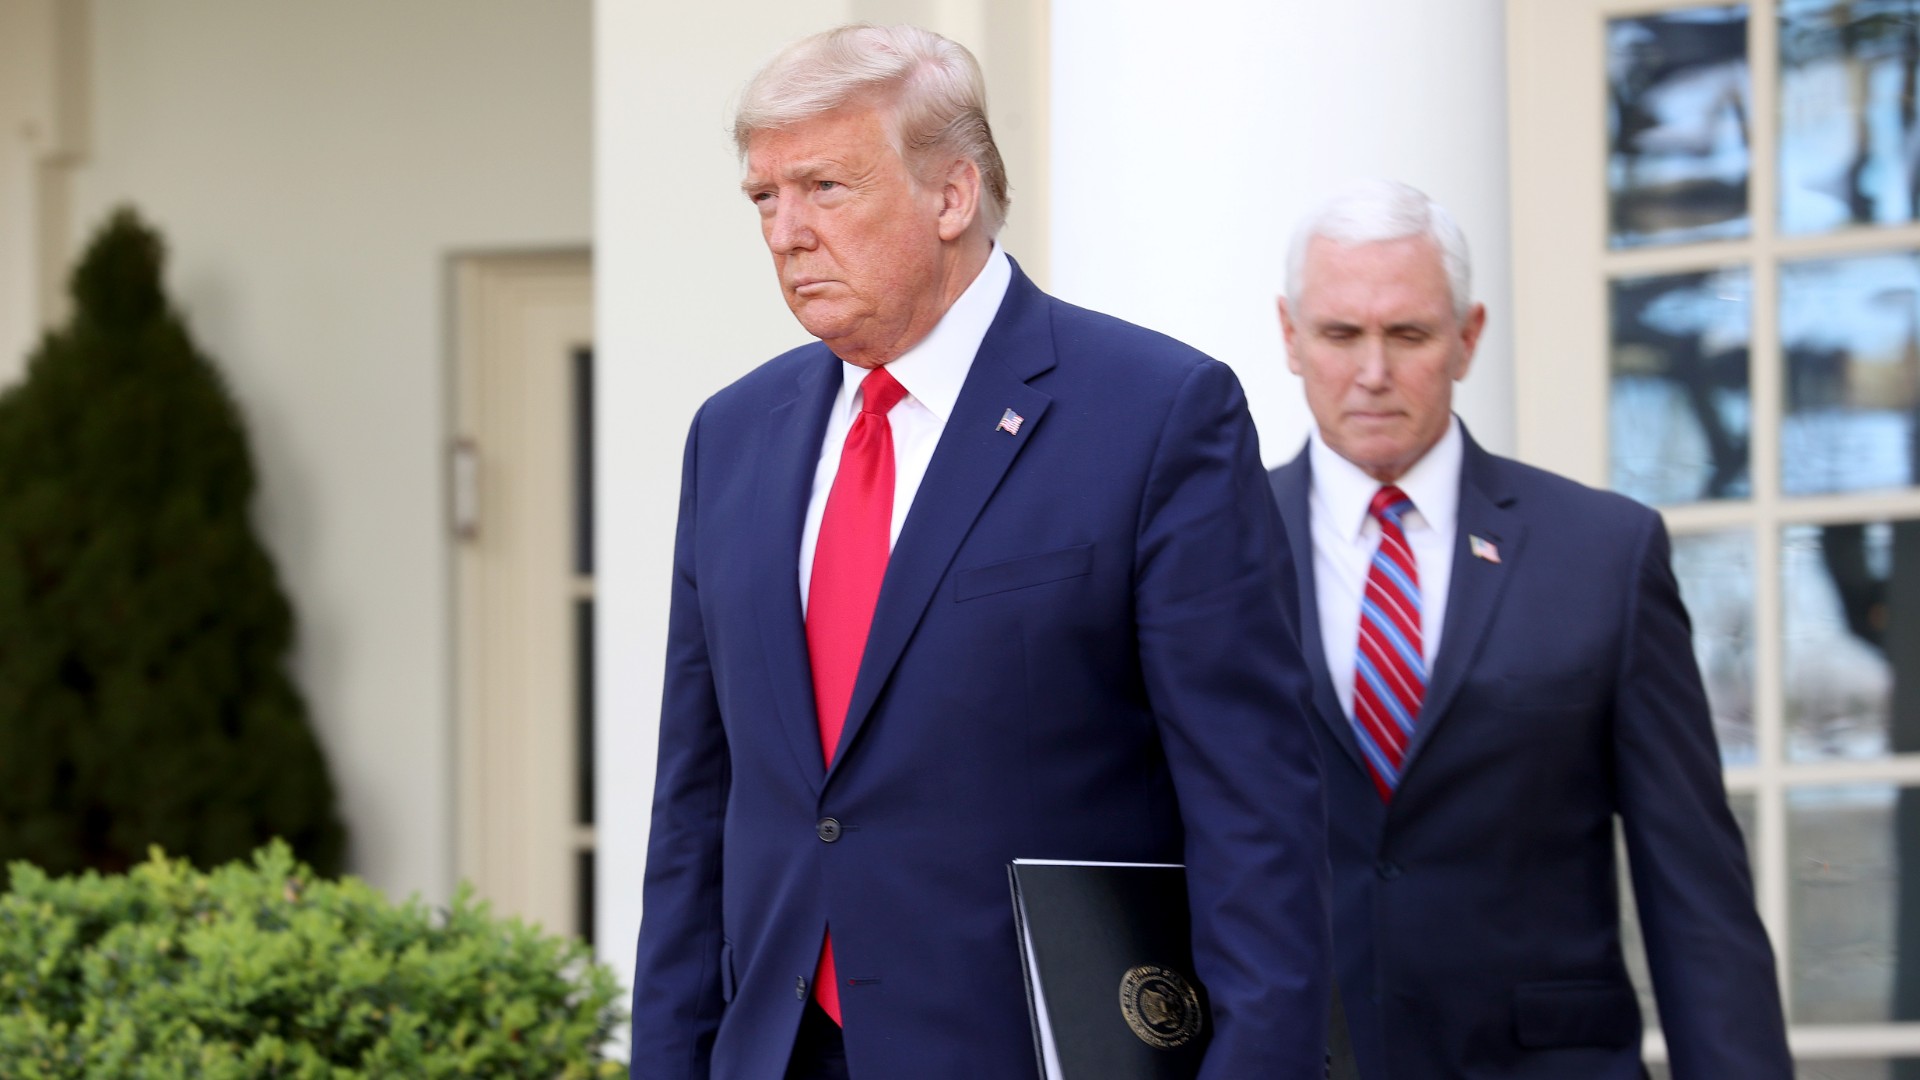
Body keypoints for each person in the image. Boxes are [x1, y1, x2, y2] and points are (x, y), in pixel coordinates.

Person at [630, 24, 1329, 1080]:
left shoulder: (1154, 415)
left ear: (953, 195)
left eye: (824, 185)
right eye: (764, 197)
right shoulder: (733, 436)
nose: (787, 232)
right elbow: (696, 810)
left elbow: (1255, 815)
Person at [1267, 178, 1792, 1078]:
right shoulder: (1208, 547)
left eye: (1410, 334)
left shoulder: (1605, 555)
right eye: (1341, 334)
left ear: (1468, 337)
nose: (1373, 372)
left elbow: (1694, 889)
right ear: (1289, 336)